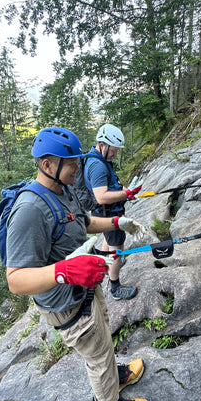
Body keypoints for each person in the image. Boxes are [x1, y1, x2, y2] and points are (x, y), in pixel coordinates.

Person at [6, 127, 148, 401]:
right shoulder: (30, 210)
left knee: (101, 337)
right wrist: (63, 272)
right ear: (48, 165)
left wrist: (116, 221)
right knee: (95, 351)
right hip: (65, 303)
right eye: (72, 163)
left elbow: (81, 222)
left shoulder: (62, 189)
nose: (79, 168)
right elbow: (16, 280)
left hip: (84, 287)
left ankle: (113, 375)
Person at [83, 123, 142, 301]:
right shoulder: (98, 166)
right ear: (102, 145)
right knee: (118, 250)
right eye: (113, 150)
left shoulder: (100, 160)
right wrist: (125, 194)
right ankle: (115, 288)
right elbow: (101, 196)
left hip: (104, 212)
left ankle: (104, 265)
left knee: (109, 242)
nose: (115, 154)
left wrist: (126, 192)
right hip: (108, 213)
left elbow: (112, 184)